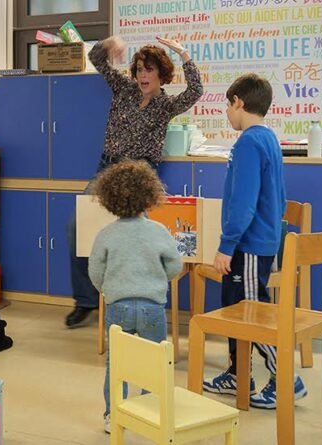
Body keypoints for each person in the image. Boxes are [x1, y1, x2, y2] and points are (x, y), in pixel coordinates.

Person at [65, 36, 204, 328]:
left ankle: (141, 301)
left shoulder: (166, 104)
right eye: (139, 69)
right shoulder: (123, 88)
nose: (142, 75)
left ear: (161, 74)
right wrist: (108, 43)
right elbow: (96, 59)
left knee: (135, 235)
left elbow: (196, 90)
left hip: (142, 174)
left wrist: (183, 53)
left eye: (149, 70)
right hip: (108, 170)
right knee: (76, 226)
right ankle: (87, 301)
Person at [201, 73, 307, 409]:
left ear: (238, 102)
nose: (227, 115)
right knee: (236, 311)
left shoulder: (247, 142)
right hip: (258, 242)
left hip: (247, 247)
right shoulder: (267, 138)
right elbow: (277, 194)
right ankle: (238, 373)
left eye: (227, 108)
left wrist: (226, 245)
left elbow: (243, 202)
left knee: (252, 316)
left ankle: (287, 379)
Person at [87, 160, 182, 433]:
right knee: (154, 362)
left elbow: (95, 271)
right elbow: (174, 266)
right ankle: (148, 411)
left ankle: (112, 415)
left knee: (117, 364)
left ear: (110, 199)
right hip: (152, 307)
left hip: (118, 307)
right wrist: (158, 278)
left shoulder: (106, 234)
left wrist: (107, 290)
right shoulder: (159, 232)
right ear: (149, 196)